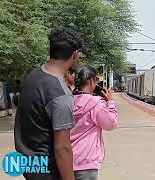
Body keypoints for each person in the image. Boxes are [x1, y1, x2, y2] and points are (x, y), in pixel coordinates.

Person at [14, 27, 84, 180]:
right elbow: (62, 148)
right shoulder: (61, 95)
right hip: (47, 172)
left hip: (28, 164)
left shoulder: (33, 76)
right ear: (74, 55)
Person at [71, 65, 118, 180]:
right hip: (86, 162)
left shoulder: (67, 100)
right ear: (92, 81)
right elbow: (111, 123)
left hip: (66, 160)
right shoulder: (95, 103)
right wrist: (110, 103)